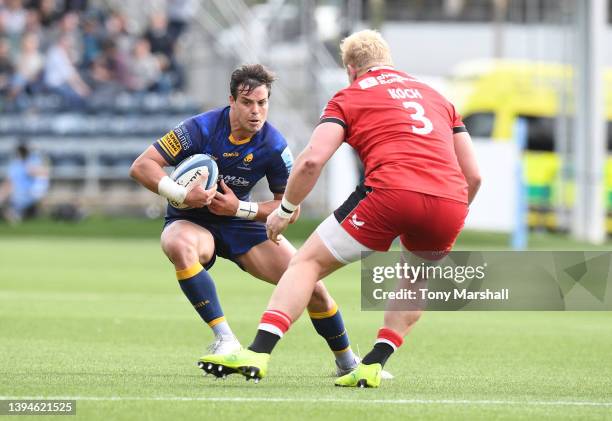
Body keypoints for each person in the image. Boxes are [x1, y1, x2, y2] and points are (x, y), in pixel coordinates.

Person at [200, 30, 482, 387]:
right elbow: (473, 175)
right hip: (451, 199)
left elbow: (311, 162)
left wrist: (285, 209)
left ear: (351, 68)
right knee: (414, 278)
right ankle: (373, 364)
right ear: (388, 60)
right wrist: (449, 213)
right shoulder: (438, 98)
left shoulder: (348, 97)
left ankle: (258, 351)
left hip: (391, 191)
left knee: (307, 263)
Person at [129, 64, 367, 377]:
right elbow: (142, 166)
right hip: (191, 218)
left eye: (262, 103)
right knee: (178, 245)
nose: (256, 111)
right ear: (232, 101)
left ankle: (347, 362)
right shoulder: (199, 129)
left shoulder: (274, 145)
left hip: (240, 220)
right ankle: (225, 339)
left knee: (310, 285)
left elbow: (290, 208)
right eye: (247, 103)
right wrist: (182, 195)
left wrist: (239, 209)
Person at [0, 141, 50, 224]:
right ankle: (11, 213)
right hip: (16, 192)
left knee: (9, 193)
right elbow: (9, 181)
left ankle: (13, 214)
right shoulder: (15, 164)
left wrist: (31, 169)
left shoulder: (34, 160)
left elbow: (43, 173)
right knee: (5, 190)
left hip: (29, 192)